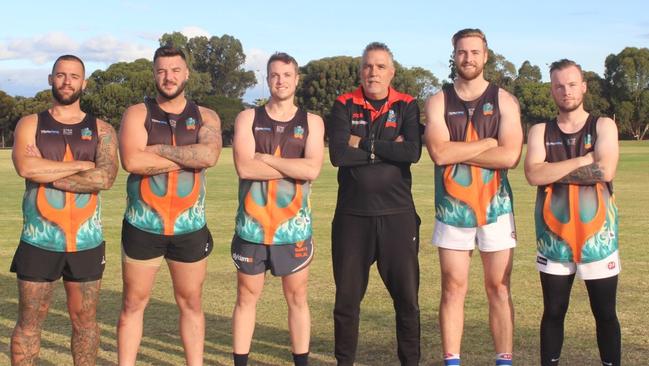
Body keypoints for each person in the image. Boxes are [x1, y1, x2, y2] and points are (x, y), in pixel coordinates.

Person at [116, 45, 222, 366]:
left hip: (189, 228)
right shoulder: (137, 113)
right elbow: (132, 160)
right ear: (154, 74)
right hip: (142, 226)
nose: (169, 77)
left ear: (187, 73)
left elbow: (210, 156)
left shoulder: (206, 116)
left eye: (175, 70)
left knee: (191, 303)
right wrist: (187, 158)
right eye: (162, 70)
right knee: (134, 303)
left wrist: (157, 149)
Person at [10, 54, 118, 366]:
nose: (67, 81)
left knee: (85, 321)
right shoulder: (31, 123)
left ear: (84, 83)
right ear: (50, 79)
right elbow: (26, 167)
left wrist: (48, 170)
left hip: (86, 242)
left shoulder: (102, 130)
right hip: (38, 239)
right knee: (30, 322)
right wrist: (82, 165)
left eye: (74, 76)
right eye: (60, 75)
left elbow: (105, 178)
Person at [424, 28, 522, 366]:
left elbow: (510, 157)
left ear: (486, 55)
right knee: (453, 287)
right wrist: (486, 144)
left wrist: (458, 151)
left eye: (475, 52)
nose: (468, 58)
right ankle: (452, 361)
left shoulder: (505, 101)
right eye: (462, 52)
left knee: (499, 287)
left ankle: (503, 360)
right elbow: (438, 153)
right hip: (452, 210)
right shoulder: (438, 101)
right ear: (454, 54)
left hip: (496, 208)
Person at [327, 42, 422, 366]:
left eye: (381, 66)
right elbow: (339, 155)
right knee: (347, 302)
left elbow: (411, 152)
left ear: (391, 72)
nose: (373, 72)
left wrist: (363, 143)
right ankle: (344, 362)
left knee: (407, 301)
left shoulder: (407, 105)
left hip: (397, 216)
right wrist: (385, 148)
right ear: (360, 70)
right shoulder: (343, 104)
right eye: (368, 66)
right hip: (353, 218)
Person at [524, 59, 621, 366]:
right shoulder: (540, 130)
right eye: (558, 86)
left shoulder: (603, 125)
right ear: (552, 90)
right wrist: (583, 160)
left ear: (583, 86)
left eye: (571, 84)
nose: (566, 91)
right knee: (553, 312)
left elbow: (605, 169)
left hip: (599, 238)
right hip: (553, 238)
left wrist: (551, 170)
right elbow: (533, 175)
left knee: (605, 313)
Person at [230, 52, 324, 366]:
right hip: (252, 228)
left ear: (297, 79)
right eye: (274, 75)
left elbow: (311, 171)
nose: (280, 80)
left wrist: (266, 158)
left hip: (293, 230)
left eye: (286, 75)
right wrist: (292, 167)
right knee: (246, 298)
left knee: (297, 299)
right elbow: (244, 168)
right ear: (267, 79)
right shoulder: (248, 118)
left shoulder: (311, 122)